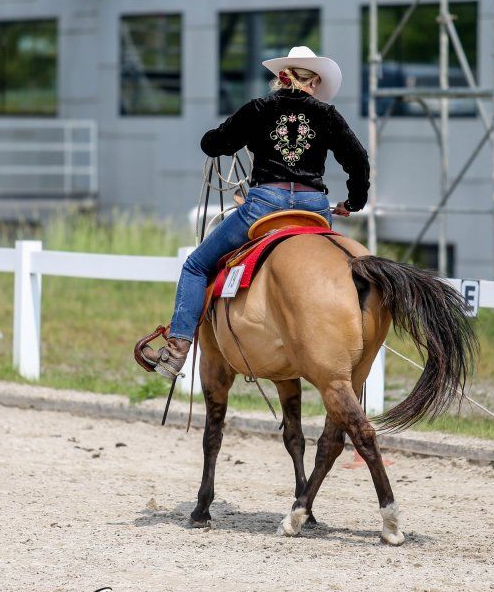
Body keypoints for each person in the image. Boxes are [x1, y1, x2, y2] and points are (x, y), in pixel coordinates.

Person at [139, 46, 370, 381]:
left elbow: (214, 144)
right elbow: (358, 160)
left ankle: (175, 352)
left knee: (196, 265)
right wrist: (353, 202)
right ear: (315, 82)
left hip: (266, 205)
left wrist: (220, 137)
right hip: (314, 209)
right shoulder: (327, 114)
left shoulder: (259, 109)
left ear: (281, 77)